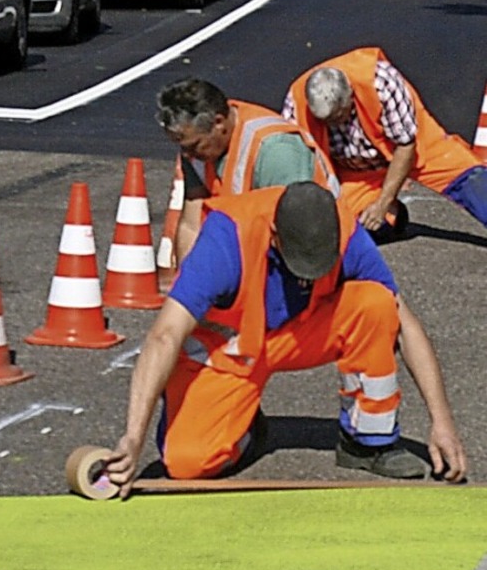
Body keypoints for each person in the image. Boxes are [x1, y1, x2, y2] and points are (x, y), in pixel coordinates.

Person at [105, 182, 467, 499]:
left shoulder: (344, 230)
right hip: (230, 353)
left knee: (376, 304)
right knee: (187, 464)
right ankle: (244, 424)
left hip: (297, 334)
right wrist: (133, 437)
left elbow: (406, 324)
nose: (309, 279)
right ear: (276, 235)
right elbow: (164, 335)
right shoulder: (227, 239)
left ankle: (367, 443)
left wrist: (443, 424)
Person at [282, 46, 487, 235]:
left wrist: (383, 202)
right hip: (356, 172)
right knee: (340, 232)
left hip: (415, 151)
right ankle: (394, 216)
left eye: (338, 116)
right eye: (326, 121)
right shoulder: (297, 103)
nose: (333, 124)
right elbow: (295, 164)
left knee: (473, 182)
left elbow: (405, 146)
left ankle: (387, 206)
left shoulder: (380, 81)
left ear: (350, 96)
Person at [156, 77, 339, 264]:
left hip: (312, 251)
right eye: (182, 146)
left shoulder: (275, 149)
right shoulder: (195, 153)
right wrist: (188, 283)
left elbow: (295, 229)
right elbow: (191, 225)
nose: (187, 155)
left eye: (194, 145)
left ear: (219, 123)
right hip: (253, 246)